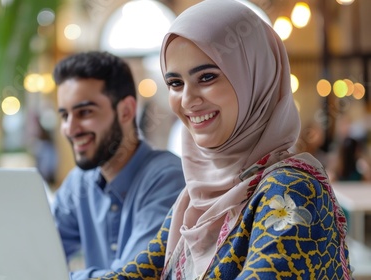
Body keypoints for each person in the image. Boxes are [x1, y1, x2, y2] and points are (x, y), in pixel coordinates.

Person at [97, 0, 352, 278]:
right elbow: (138, 272)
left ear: (255, 78)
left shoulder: (291, 189)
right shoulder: (195, 197)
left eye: (207, 77)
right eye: (175, 83)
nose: (188, 100)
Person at [0, 52, 186, 280]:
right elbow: (38, 249)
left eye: (85, 112)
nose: (70, 128)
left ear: (126, 111)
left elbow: (133, 276)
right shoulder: (80, 182)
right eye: (64, 115)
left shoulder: (167, 178)